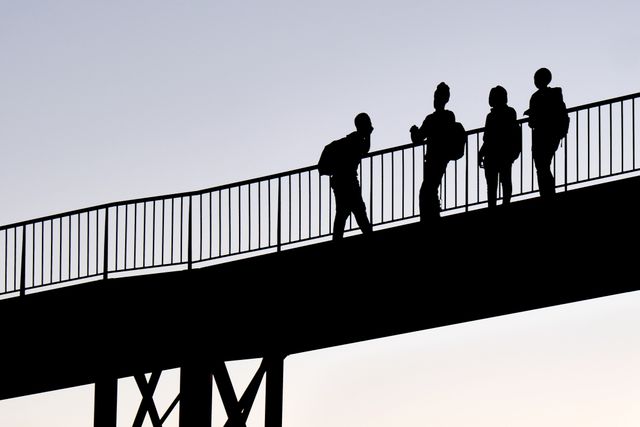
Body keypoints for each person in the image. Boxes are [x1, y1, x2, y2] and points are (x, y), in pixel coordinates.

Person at [410, 82, 456, 223]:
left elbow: (417, 138)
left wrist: (413, 130)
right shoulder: (449, 116)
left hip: (434, 158)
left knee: (427, 190)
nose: (435, 99)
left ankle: (429, 219)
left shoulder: (432, 119)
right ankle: (433, 216)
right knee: (431, 188)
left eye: (437, 96)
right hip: (441, 158)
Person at [524, 67, 569, 200]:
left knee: (541, 166)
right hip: (549, 135)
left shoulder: (536, 97)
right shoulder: (555, 94)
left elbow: (533, 122)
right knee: (543, 165)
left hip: (543, 135)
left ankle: (547, 193)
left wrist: (533, 115)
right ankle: (548, 192)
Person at [328, 112, 374, 240]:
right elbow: (365, 149)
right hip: (348, 182)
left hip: (340, 182)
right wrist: (369, 135)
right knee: (358, 211)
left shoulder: (352, 139)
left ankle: (337, 240)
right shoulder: (356, 140)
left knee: (343, 213)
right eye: (368, 124)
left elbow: (364, 149)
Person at [479, 85, 520, 208]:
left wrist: (481, 153)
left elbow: (488, 138)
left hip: (497, 153)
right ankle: (503, 204)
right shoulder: (509, 112)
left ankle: (496, 206)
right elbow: (487, 138)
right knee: (503, 180)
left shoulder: (493, 116)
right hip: (502, 153)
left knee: (496, 183)